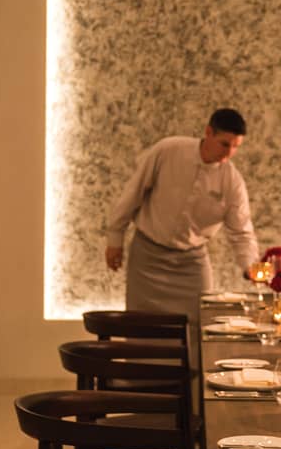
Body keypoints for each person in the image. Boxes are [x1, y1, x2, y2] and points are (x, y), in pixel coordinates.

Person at [105, 108, 261, 317]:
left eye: (235, 147)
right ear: (208, 132)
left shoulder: (232, 182)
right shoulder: (168, 150)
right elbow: (134, 192)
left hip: (191, 263)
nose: (229, 152)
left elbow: (242, 231)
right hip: (147, 258)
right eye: (225, 144)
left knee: (199, 324)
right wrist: (115, 238)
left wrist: (250, 266)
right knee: (140, 328)